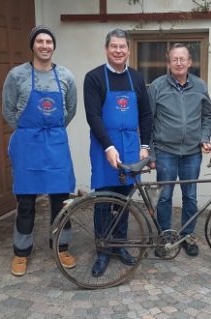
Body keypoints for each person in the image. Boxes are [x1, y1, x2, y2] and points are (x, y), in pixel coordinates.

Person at [2, 25, 78, 276]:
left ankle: (61, 246)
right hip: (28, 145)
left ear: (53, 46)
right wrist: (26, 129)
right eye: (40, 41)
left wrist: (52, 130)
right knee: (25, 202)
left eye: (49, 41)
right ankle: (21, 252)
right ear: (32, 45)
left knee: (61, 201)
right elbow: (8, 110)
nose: (45, 45)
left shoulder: (66, 76)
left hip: (56, 144)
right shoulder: (17, 75)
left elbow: (71, 109)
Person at [83, 29, 153, 277]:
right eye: (114, 46)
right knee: (104, 199)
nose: (118, 50)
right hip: (105, 146)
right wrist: (109, 147)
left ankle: (120, 245)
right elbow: (93, 116)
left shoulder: (136, 77)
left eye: (123, 46)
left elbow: (145, 114)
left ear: (128, 50)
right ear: (106, 49)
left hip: (131, 146)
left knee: (124, 200)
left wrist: (145, 145)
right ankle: (103, 249)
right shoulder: (93, 78)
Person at [147, 43, 211, 257]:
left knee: (190, 197)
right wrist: (152, 154)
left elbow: (207, 118)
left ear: (189, 62)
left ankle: (188, 236)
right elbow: (148, 122)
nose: (178, 63)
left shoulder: (200, 86)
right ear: (169, 63)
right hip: (165, 151)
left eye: (182, 59)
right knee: (165, 197)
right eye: (174, 59)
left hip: (192, 153)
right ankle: (166, 237)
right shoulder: (157, 87)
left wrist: (204, 138)